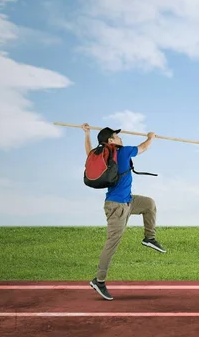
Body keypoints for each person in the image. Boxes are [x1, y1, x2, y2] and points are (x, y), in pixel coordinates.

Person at [82, 123, 166, 301]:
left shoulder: (105, 155)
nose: (120, 137)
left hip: (128, 201)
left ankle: (149, 238)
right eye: (117, 136)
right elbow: (143, 147)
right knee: (112, 243)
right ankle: (99, 280)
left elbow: (89, 152)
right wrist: (151, 137)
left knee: (149, 204)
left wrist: (87, 134)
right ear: (111, 140)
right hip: (117, 207)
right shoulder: (123, 151)